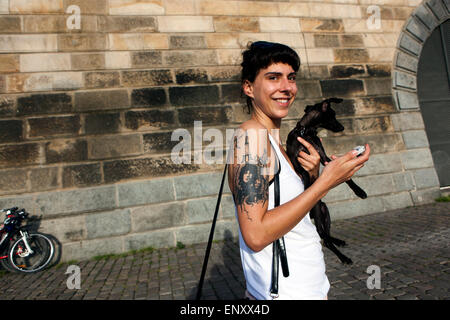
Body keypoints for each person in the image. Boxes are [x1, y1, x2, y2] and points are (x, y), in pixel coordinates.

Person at [227, 41, 370, 300]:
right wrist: (324, 183)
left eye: (291, 77)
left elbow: (293, 212)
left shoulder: (276, 144)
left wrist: (314, 175)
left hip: (308, 287)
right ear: (249, 87)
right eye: (273, 78)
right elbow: (256, 235)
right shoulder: (252, 137)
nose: (286, 87)